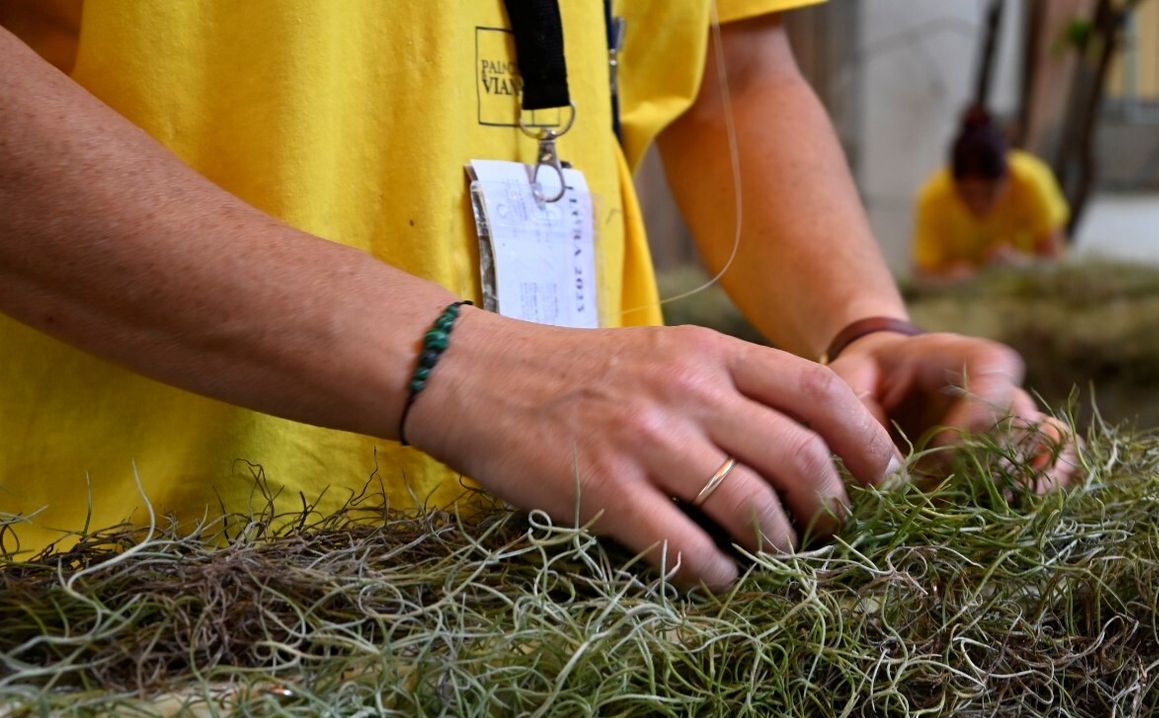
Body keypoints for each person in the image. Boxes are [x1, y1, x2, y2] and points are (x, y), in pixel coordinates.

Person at [0, 1, 1075, 589]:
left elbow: (732, 72)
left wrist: (864, 329)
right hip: (130, 581)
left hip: (578, 565)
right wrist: (462, 366)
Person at [913, 107, 1070, 282]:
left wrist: (1020, 264)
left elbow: (1056, 264)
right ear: (953, 184)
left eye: (989, 194)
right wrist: (948, 275)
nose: (978, 204)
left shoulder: (1032, 182)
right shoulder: (934, 196)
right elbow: (922, 274)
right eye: (968, 194)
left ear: (1008, 177)